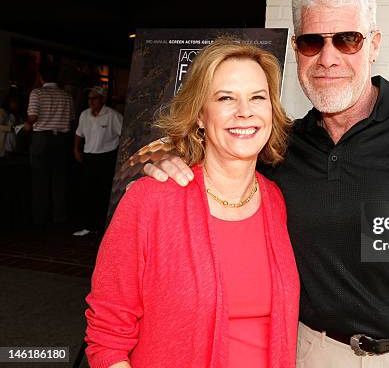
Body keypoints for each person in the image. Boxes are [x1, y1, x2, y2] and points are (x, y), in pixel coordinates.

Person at [144, 0, 389, 368]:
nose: (328, 58)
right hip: (310, 353)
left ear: (373, 44)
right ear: (296, 49)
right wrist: (173, 160)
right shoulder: (281, 145)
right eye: (311, 42)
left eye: (347, 39)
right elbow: (220, 159)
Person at [84, 40, 299, 368]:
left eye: (258, 97)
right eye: (226, 98)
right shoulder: (150, 201)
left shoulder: (274, 201)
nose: (245, 111)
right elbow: (107, 340)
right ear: (200, 114)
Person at [25, 62, 74, 226]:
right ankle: (59, 217)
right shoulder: (67, 96)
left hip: (42, 139)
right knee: (59, 179)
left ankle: (40, 218)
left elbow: (33, 117)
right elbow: (72, 119)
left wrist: (26, 125)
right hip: (62, 140)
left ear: (41, 77)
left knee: (40, 179)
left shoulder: (37, 93)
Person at [73, 86, 123, 236]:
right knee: (87, 192)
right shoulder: (84, 115)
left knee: (104, 193)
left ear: (102, 99)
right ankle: (88, 226)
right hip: (89, 156)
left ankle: (103, 228)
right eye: (89, 98)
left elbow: (124, 134)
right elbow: (79, 133)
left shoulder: (112, 115)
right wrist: (76, 149)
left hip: (106, 157)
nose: (91, 101)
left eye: (94, 98)